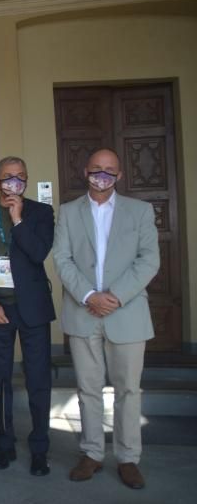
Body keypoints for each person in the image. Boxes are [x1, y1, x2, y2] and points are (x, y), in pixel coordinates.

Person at [53, 148, 159, 490]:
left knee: (128, 390)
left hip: (126, 312)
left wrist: (114, 296)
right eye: (97, 169)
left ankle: (128, 458)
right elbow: (62, 259)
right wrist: (89, 296)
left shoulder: (140, 211)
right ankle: (92, 453)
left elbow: (149, 259)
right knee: (88, 389)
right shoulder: (68, 212)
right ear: (85, 172)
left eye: (110, 170)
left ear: (120, 175)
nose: (103, 175)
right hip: (83, 311)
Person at [0, 156, 55, 476]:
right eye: (7, 177)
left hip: (33, 308)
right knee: (0, 380)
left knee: (38, 380)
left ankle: (39, 448)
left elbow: (38, 253)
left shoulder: (41, 213)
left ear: (27, 180)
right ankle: (4, 444)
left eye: (20, 177)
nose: (13, 183)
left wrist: (18, 220)